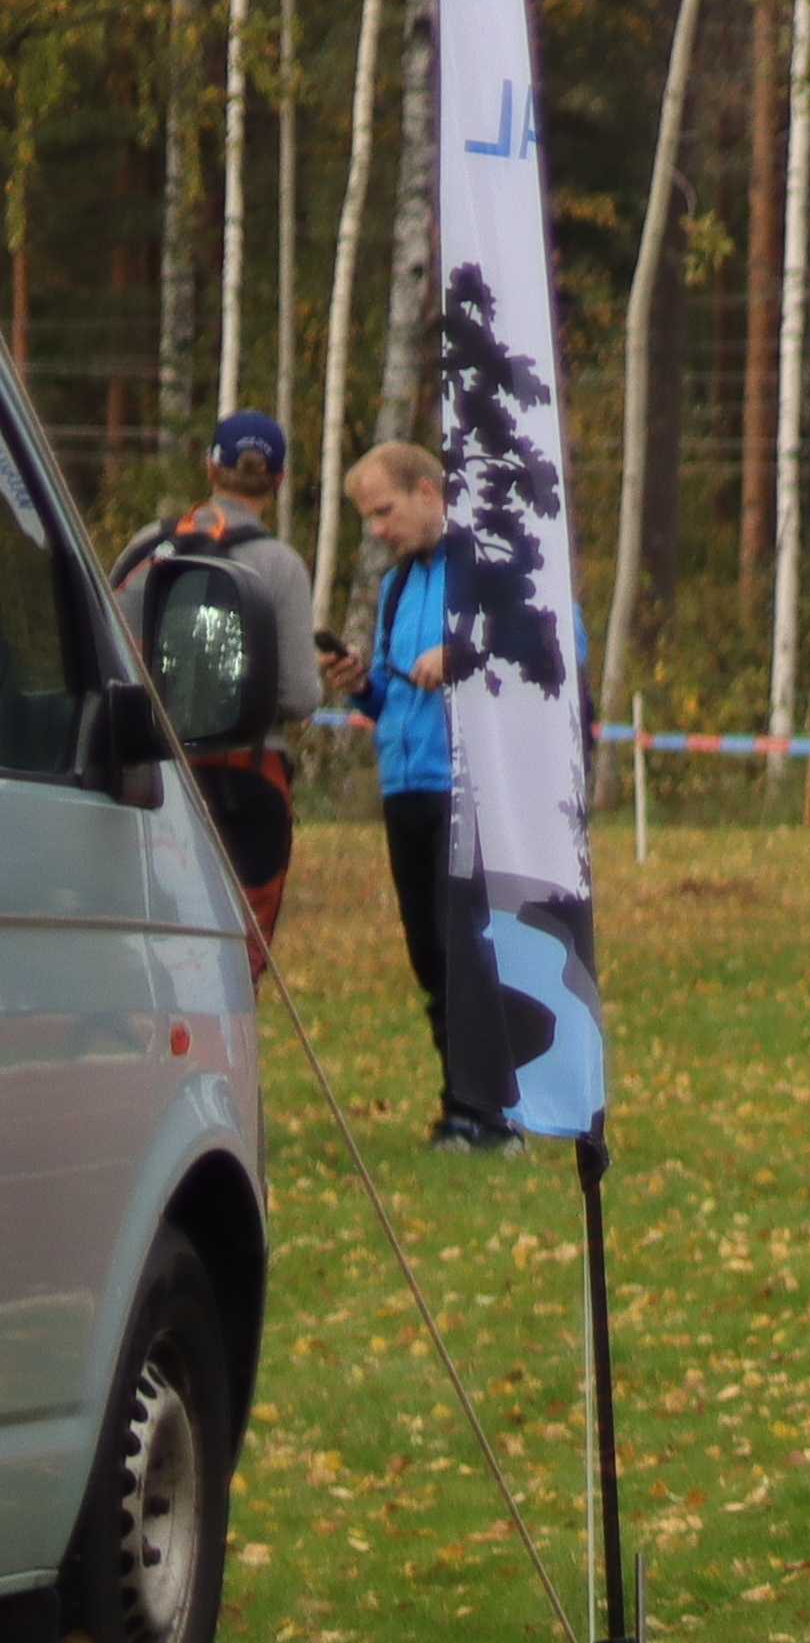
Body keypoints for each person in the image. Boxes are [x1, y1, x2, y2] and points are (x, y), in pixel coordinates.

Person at [336, 438, 507, 1149]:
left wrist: (462, 654)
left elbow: (553, 647)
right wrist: (359, 683)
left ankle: (489, 1114)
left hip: (465, 786)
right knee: (430, 957)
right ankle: (459, 1103)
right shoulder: (397, 587)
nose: (377, 529)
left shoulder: (492, 565)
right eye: (368, 518)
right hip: (403, 786)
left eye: (384, 512)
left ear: (428, 493)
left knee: (464, 949)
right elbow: (391, 694)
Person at [113, 413, 317, 950]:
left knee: (157, 928)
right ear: (279, 479)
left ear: (209, 467)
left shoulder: (149, 544)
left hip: (154, 767)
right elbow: (300, 695)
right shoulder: (279, 564)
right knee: (238, 944)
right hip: (249, 773)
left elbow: (109, 647)